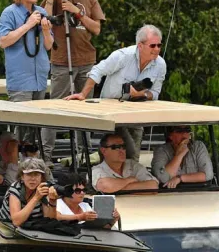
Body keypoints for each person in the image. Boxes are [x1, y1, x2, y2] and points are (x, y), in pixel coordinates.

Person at [66, 24, 167, 160]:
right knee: (127, 151)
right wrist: (83, 94)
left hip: (137, 110)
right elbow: (97, 71)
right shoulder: (122, 56)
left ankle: (127, 177)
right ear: (140, 45)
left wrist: (141, 94)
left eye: (159, 45)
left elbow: (155, 93)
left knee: (133, 155)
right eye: (152, 45)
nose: (157, 49)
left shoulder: (160, 64)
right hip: (113, 111)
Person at [0, 0, 53, 148]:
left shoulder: (41, 12)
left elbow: (49, 45)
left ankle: (31, 165)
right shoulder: (9, 12)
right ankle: (16, 166)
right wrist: (28, 25)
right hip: (21, 80)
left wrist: (45, 31)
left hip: (40, 78)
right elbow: (3, 41)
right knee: (20, 128)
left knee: (34, 128)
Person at [44, 0, 104, 99]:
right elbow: (45, 18)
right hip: (62, 60)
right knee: (58, 104)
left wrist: (77, 12)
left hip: (86, 60)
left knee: (86, 104)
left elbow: (96, 29)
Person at [91, 133, 158, 193]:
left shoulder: (133, 165)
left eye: (123, 147)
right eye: (116, 147)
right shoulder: (97, 170)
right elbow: (105, 186)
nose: (121, 151)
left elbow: (153, 186)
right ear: (103, 151)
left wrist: (116, 188)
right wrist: (128, 180)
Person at [0, 157, 55, 227]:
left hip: (31, 230)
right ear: (22, 176)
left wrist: (53, 201)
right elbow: (16, 222)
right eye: (29, 174)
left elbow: (49, 219)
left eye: (36, 174)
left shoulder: (43, 188)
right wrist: (36, 198)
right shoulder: (15, 188)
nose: (33, 178)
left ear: (42, 177)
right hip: (7, 228)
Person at [52, 175, 120, 227]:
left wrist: (112, 221)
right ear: (67, 191)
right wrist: (81, 217)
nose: (82, 193)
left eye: (84, 190)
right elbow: (55, 217)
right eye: (77, 191)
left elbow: (100, 230)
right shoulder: (58, 203)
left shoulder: (86, 205)